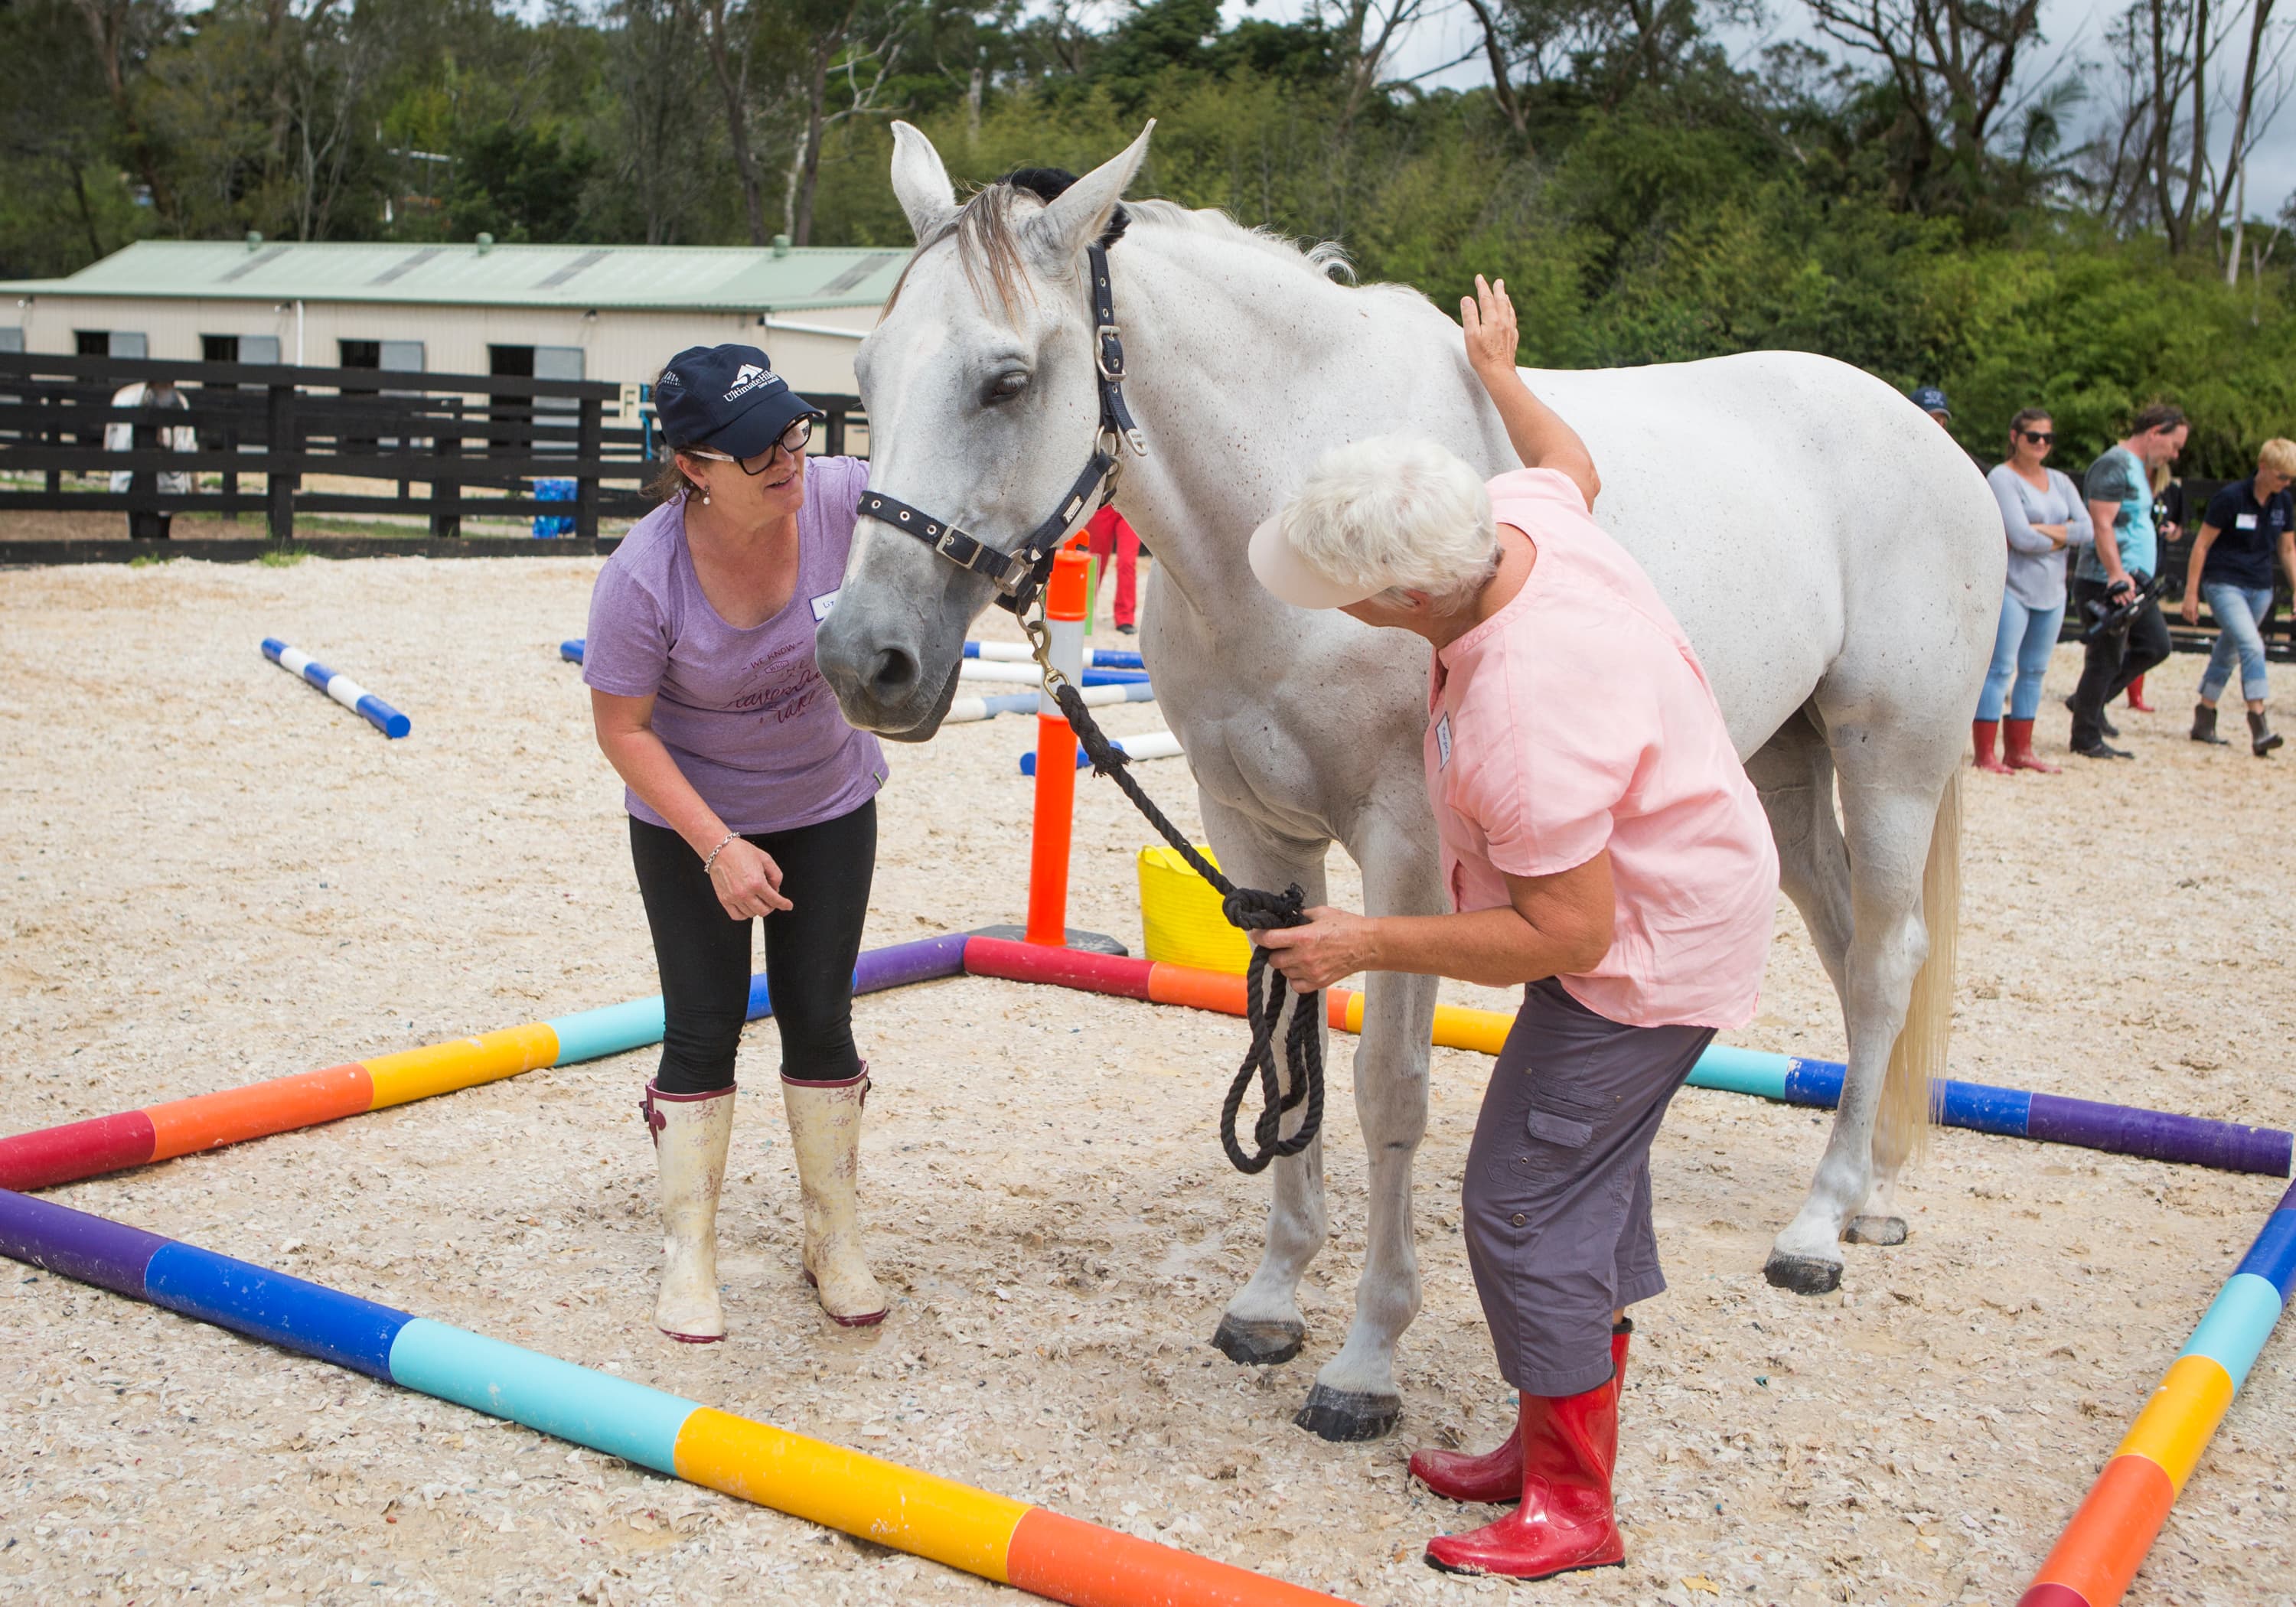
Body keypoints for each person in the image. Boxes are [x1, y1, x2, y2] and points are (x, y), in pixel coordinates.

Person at [1247, 276, 1777, 1582]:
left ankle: (1574, 1506)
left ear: (1400, 602)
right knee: (1578, 1185)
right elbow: (1569, 459)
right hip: (1679, 890)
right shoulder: (1513, 522)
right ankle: (1546, 1443)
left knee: (1523, 1207)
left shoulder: (1522, 714)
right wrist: (1498, 372)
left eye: (1341, 594)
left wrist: (1367, 944)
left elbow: (1570, 933)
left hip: (1645, 952)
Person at [584, 343, 889, 1340]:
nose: (787, 461)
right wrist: (718, 847)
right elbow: (621, 730)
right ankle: (691, 1252)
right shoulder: (643, 578)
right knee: (702, 1027)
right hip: (691, 825)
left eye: (792, 434)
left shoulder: (843, 500)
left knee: (820, 1019)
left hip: (829, 803)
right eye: (758, 450)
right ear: (693, 468)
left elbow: (954, 496)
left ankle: (832, 1235)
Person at [2067, 403, 2188, 758]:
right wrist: (2117, 576)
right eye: (2174, 445)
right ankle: (2085, 736)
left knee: (2154, 645)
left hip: (2132, 581)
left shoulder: (2136, 468)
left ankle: (2089, 703)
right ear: (2155, 433)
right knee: (2105, 658)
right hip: (2106, 580)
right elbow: (2101, 524)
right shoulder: (2114, 464)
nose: (2175, 455)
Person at [1977, 409, 2092, 774]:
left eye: (2047, 437)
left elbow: (2087, 530)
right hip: (2014, 587)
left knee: (2035, 670)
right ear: (2015, 437)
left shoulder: (2059, 480)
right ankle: (1985, 753)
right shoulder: (2002, 478)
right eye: (2033, 436)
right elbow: (2019, 536)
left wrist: (2045, 532)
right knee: (1999, 669)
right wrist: (2063, 533)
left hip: (2053, 591)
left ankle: (2020, 749)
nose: (2041, 443)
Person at [2182, 438, 2296, 755]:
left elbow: (2287, 549)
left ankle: (2204, 715)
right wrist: (2191, 592)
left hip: (2260, 587)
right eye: (2282, 476)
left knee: (2229, 649)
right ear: (2263, 467)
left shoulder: (2283, 503)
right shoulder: (2230, 498)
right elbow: (2201, 544)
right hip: (2224, 583)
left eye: (2290, 479)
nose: (2286, 483)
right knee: (2251, 645)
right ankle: (2259, 723)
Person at [105, 378, 194, 539]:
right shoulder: (127, 399)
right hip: (137, 467)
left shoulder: (179, 402)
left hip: (163, 468)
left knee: (163, 502)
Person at [1085, 503, 1140, 634]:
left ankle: (1125, 618)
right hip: (1103, 505)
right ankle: (1084, 610)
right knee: (1096, 561)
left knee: (1127, 562)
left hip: (1130, 506)